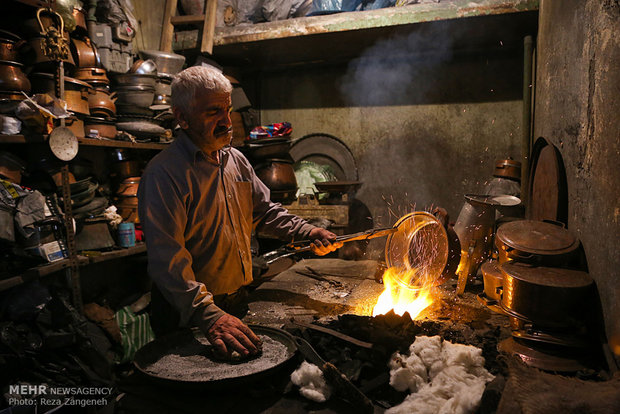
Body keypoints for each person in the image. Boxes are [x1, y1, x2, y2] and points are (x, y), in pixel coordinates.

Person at [137, 65, 342, 359]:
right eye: (212, 112)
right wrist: (208, 315)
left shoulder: (236, 160)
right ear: (182, 117)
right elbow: (166, 260)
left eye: (227, 109)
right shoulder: (164, 174)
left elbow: (264, 212)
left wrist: (307, 231)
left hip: (235, 301)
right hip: (187, 314)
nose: (226, 121)